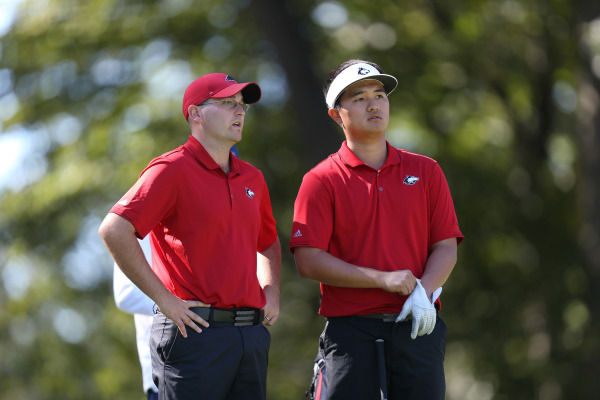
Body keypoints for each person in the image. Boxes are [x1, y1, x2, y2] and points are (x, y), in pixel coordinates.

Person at [99, 72, 281, 400]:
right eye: (227, 103)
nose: (239, 111)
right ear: (195, 114)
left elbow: (267, 241)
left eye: (241, 105)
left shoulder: (252, 177)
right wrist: (164, 299)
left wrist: (272, 290)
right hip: (194, 334)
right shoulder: (170, 170)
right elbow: (114, 229)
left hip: (249, 335)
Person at [290, 59, 463, 400]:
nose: (373, 104)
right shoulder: (320, 180)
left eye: (379, 94)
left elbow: (445, 245)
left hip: (417, 324)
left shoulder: (426, 171)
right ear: (336, 114)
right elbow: (308, 260)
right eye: (358, 98)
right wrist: (382, 279)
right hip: (350, 333)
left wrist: (424, 291)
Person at [113, 236, 158, 400]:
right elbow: (125, 294)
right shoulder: (140, 216)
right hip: (165, 372)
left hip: (221, 362)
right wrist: (177, 304)